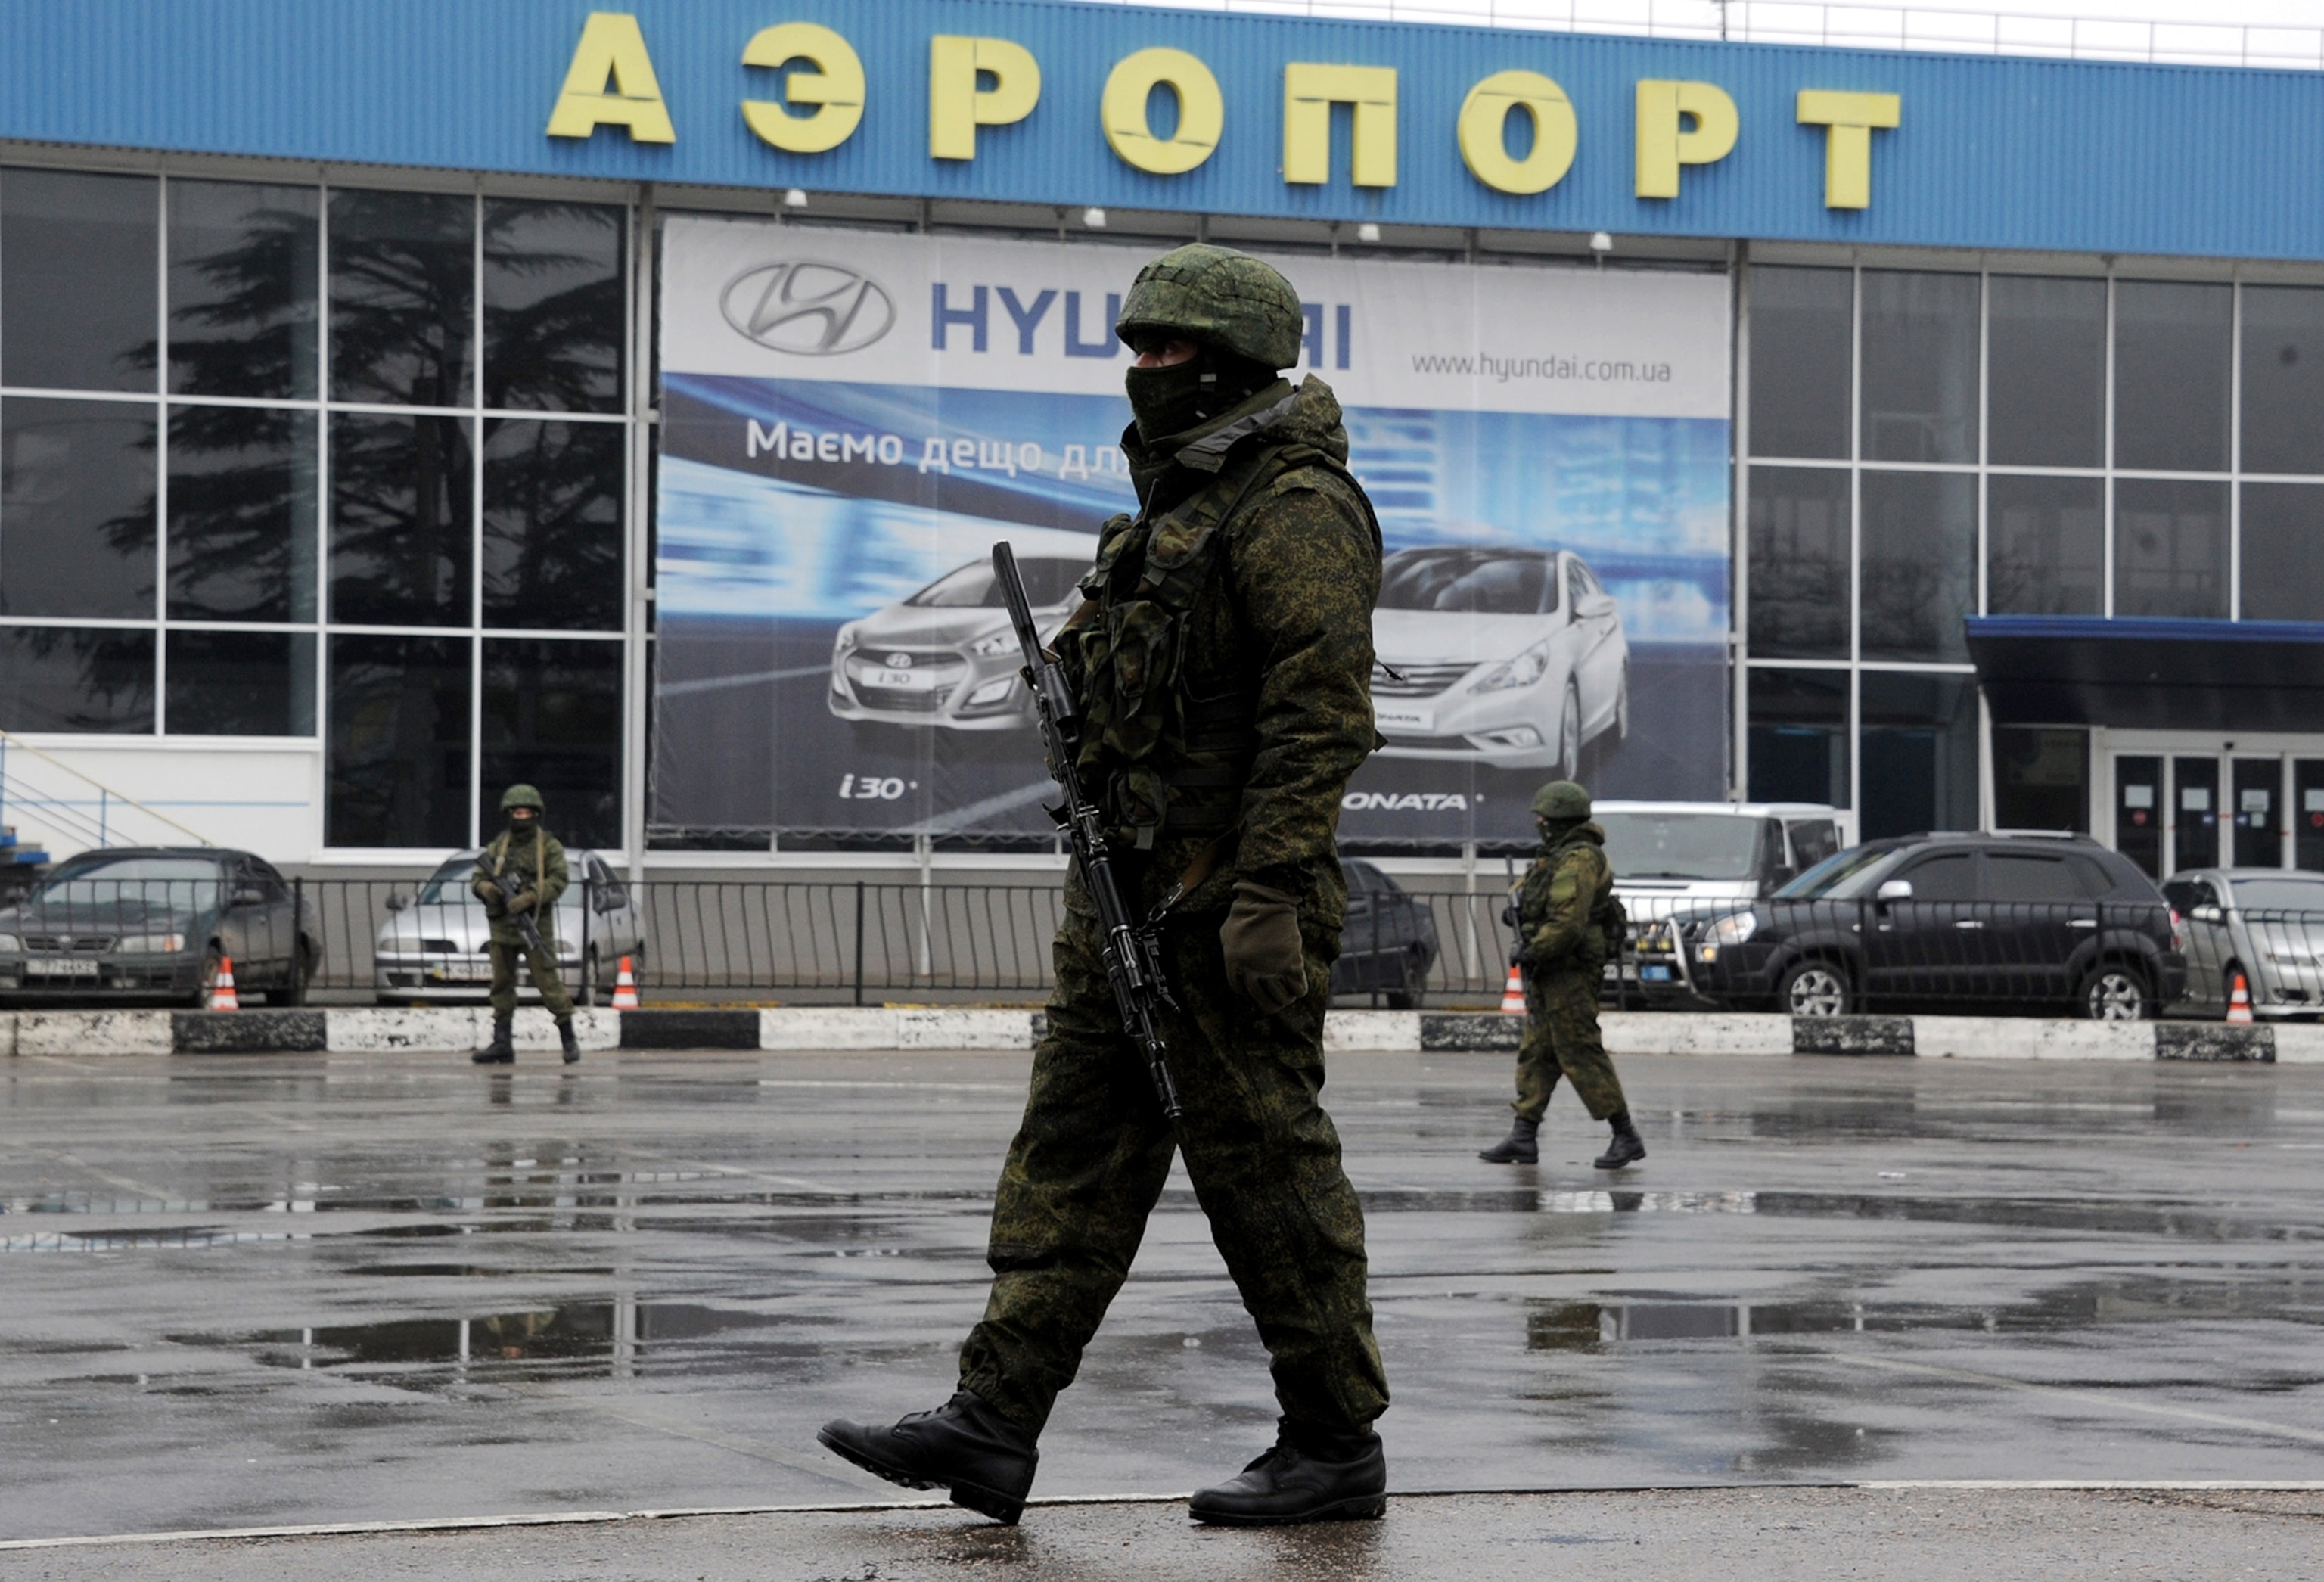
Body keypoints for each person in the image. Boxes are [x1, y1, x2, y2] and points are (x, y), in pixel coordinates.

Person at [818, 244, 1390, 1528]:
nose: (1144, 369)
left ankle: (1333, 1440)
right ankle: (992, 1420)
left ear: (1231, 362)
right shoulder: (1161, 516)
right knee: (1068, 1158)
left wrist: (1269, 890)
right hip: (1124, 896)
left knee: (1266, 1172)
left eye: (1167, 348)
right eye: (1137, 347)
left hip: (1226, 903)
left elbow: (1319, 717)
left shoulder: (1296, 506)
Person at [1478, 780, 1647, 1170]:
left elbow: (1568, 922)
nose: (1538, 823)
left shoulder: (1580, 859)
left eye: (1543, 817)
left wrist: (1532, 949)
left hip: (1569, 970)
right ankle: (1524, 1135)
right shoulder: (1555, 857)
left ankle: (1625, 1135)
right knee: (1539, 1051)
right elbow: (1538, 900)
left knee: (1579, 1049)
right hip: (1551, 968)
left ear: (1559, 820)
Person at [470, 783, 579, 1065]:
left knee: (548, 982)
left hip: (535, 923)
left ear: (536, 814)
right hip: (503, 925)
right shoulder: (499, 845)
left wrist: (531, 896)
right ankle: (502, 1043)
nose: (521, 817)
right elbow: (478, 877)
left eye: (526, 812)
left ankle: (568, 1038)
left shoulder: (548, 846)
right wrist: (487, 889)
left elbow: (559, 879)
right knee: (501, 985)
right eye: (516, 812)